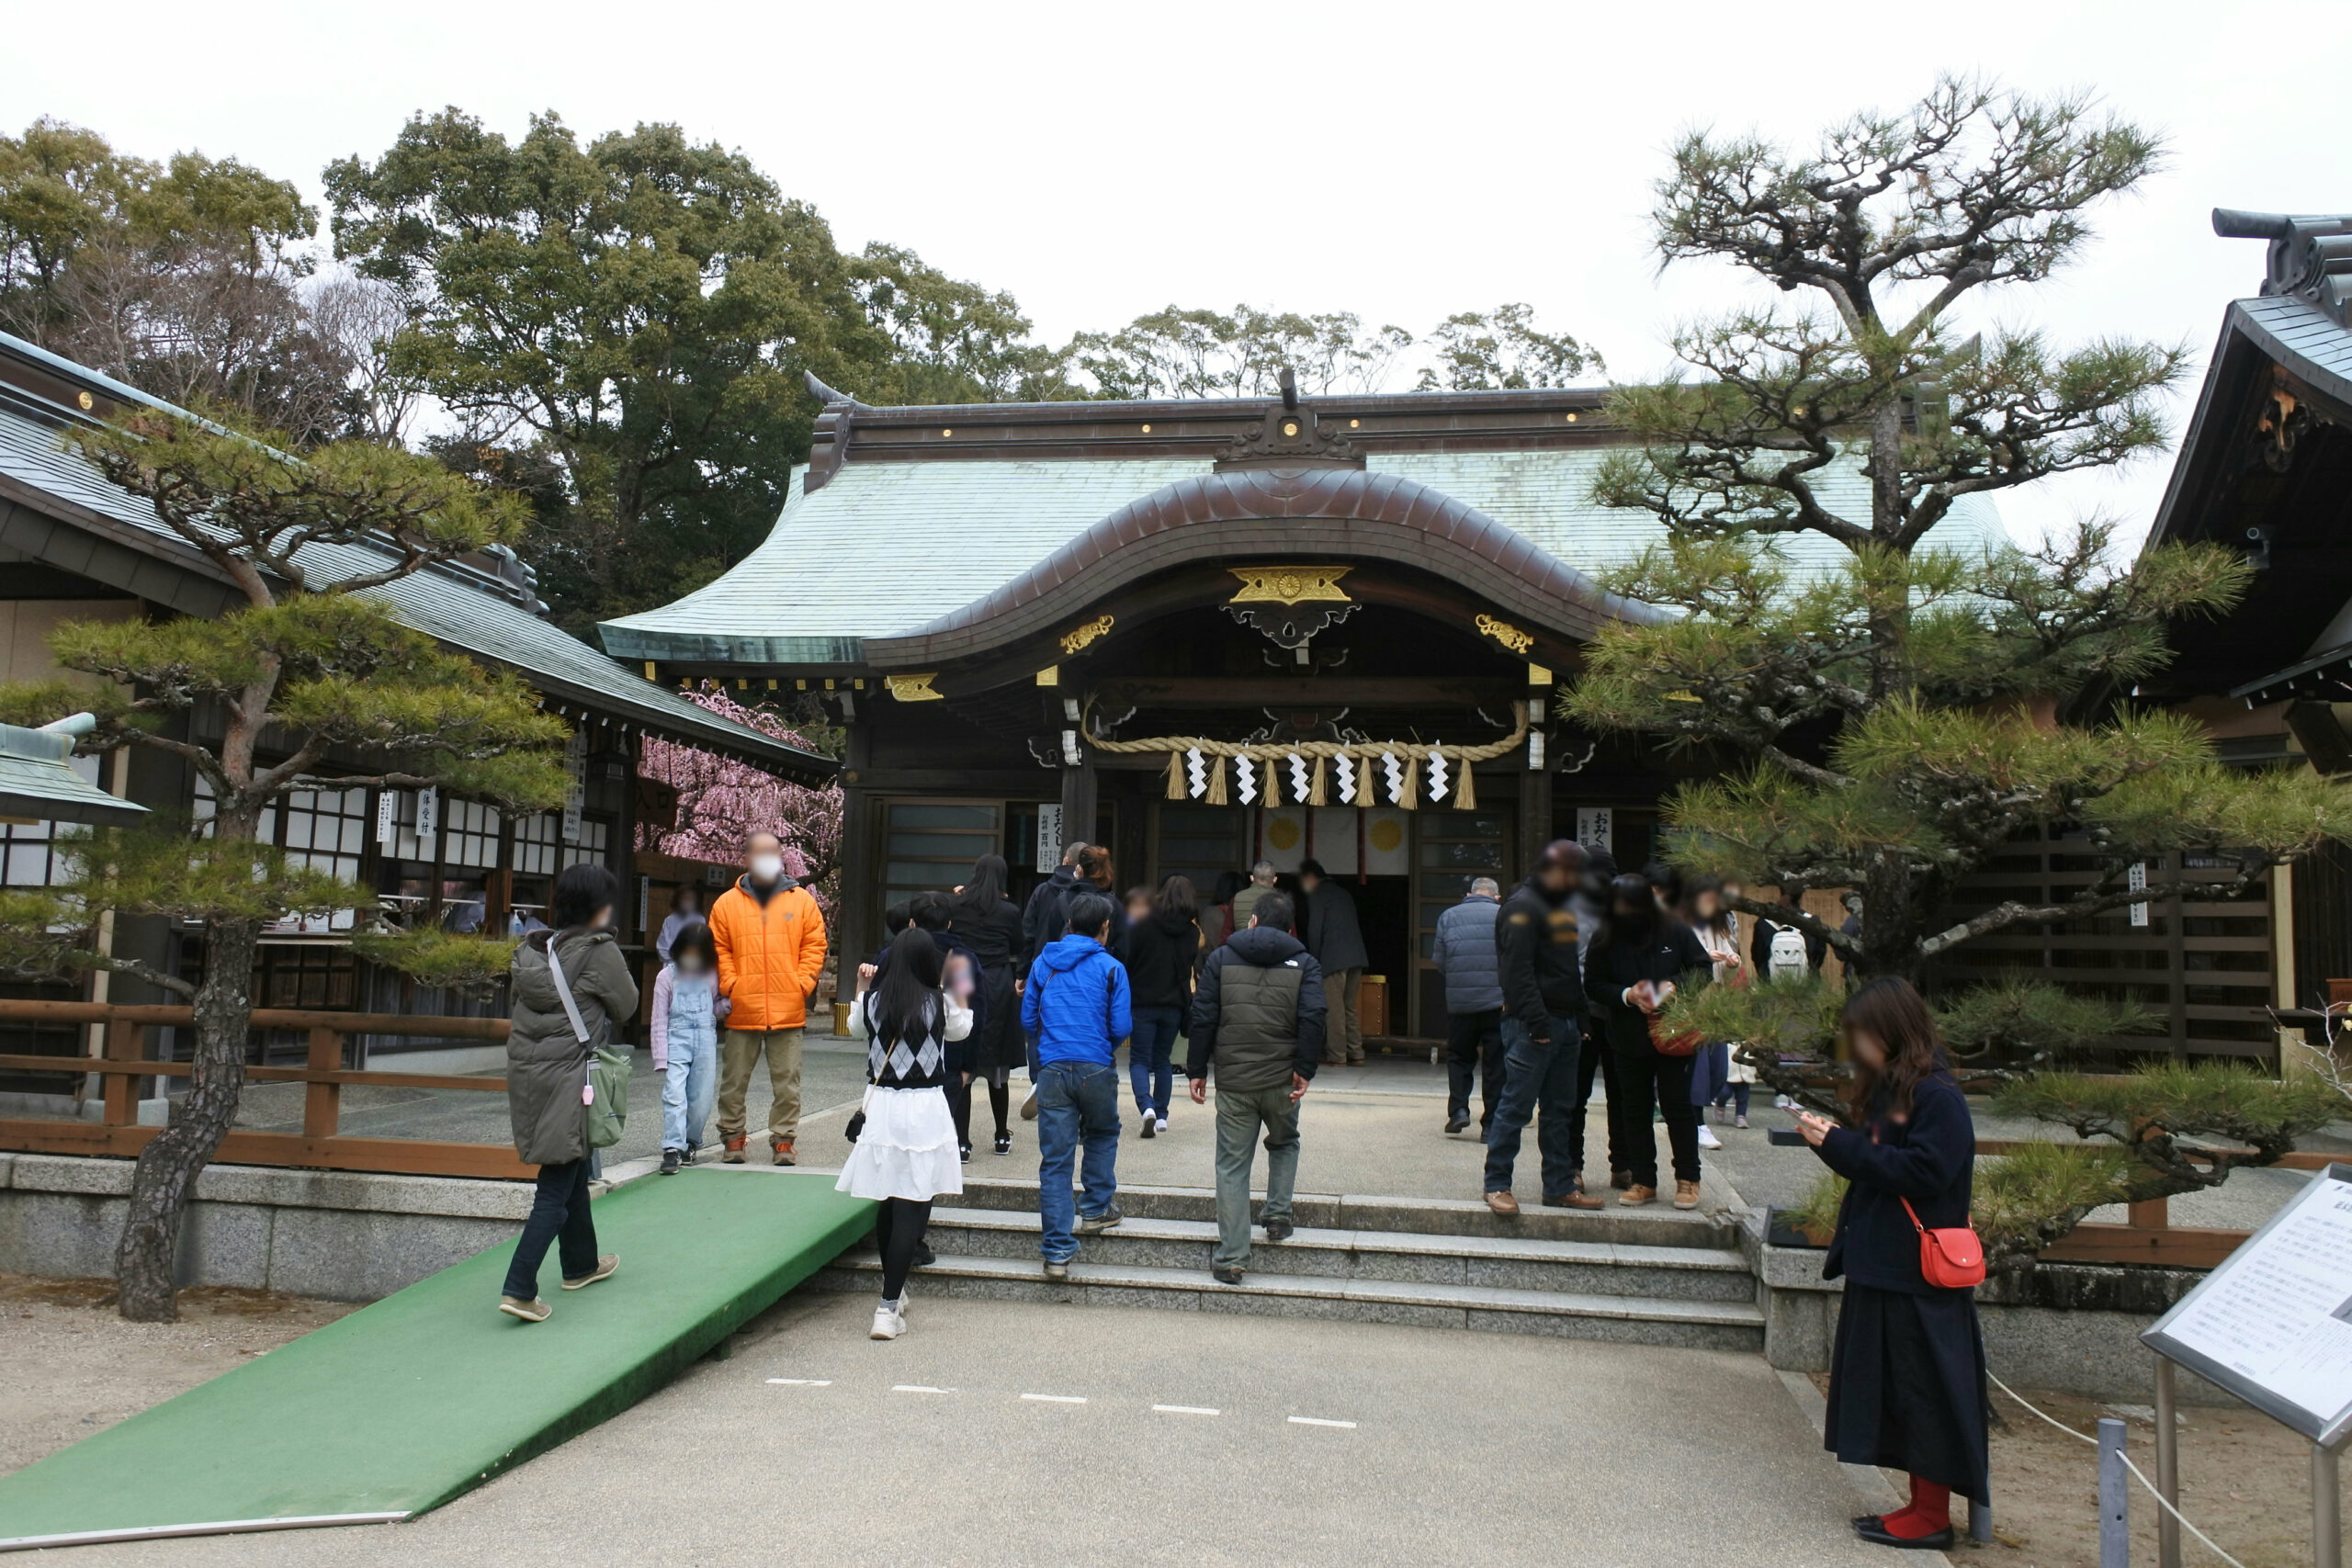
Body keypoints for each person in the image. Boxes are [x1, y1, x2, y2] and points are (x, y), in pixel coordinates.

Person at [1797, 977, 1987, 1551]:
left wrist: (1839, 1145)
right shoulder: (1899, 1089)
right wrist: (1835, 1141)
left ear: (1893, 1033)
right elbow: (1881, 1164)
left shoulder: (1937, 1096)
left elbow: (1925, 1173)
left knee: (1920, 1391)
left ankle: (1931, 1517)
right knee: (1898, 1392)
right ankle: (1918, 1506)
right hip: (1885, 1263)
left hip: (1915, 1273)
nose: (1857, 1049)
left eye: (1864, 1036)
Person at [498, 862, 638, 1322]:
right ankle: (519, 1288)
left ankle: (580, 1264)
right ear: (600, 907)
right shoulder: (598, 951)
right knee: (555, 1183)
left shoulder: (536, 950)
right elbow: (628, 1004)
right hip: (571, 1076)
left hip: (530, 1074)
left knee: (571, 1160)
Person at [841, 926, 974, 1340]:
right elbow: (963, 1029)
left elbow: (855, 1028)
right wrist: (960, 985)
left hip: (882, 1106)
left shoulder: (875, 1002)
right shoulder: (940, 1002)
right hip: (925, 1108)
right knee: (912, 1206)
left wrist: (863, 985)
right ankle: (886, 1306)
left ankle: (892, 1299)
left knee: (888, 1200)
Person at [1186, 890, 1324, 1284]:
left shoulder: (1221, 958)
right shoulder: (1306, 964)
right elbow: (1313, 1016)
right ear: (1290, 927)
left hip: (1235, 1080)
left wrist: (1197, 1069)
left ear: (1252, 921)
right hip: (1283, 1079)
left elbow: (1204, 1015)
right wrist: (1305, 1069)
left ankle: (1232, 1257)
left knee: (1232, 1164)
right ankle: (1278, 1216)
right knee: (1284, 1142)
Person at [1020, 891, 1132, 1279]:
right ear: (1104, 928)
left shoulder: (1042, 963)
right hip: (1096, 1066)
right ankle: (1098, 1207)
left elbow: (1028, 1020)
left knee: (1055, 1160)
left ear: (1068, 925)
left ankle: (1056, 1252)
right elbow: (1120, 1027)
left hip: (1051, 1068)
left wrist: (1051, 1042)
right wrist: (1100, 1047)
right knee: (1102, 1132)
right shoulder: (1112, 967)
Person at [1586, 872, 1713, 1210]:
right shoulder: (1606, 935)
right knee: (1635, 1109)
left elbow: (1702, 969)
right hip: (1627, 1033)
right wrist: (1627, 994)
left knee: (1677, 1106)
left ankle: (1688, 1179)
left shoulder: (1675, 928)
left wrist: (1672, 986)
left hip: (1673, 1033)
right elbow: (1594, 984)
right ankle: (1644, 1180)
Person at [1483, 841, 1598, 1214]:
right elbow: (1516, 972)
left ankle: (1559, 1185)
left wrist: (1581, 1018)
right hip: (1532, 1023)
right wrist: (1537, 1021)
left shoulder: (1558, 907)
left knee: (1560, 1109)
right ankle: (1497, 1183)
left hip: (1566, 1022)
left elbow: (1570, 971)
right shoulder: (1521, 906)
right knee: (1515, 1107)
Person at [709, 830, 829, 1167]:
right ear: (745, 858)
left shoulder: (801, 900)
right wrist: (732, 984)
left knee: (788, 1083)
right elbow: (719, 948)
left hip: (788, 1006)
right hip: (742, 1007)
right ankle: (733, 1138)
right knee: (734, 1082)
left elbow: (815, 945)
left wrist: (802, 982)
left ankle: (784, 1140)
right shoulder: (726, 904)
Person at [1567, 844, 1635, 1190]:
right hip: (1589, 1014)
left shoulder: (1626, 912)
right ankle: (1577, 1166)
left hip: (1617, 1011)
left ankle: (1619, 1164)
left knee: (1615, 1093)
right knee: (1579, 1095)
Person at [948, 854, 1025, 1156]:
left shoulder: (957, 905)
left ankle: (962, 1141)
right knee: (997, 1064)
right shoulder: (1009, 911)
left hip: (963, 975)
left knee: (962, 1055)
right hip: (996, 980)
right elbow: (1019, 946)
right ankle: (1001, 1135)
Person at [1122, 874, 1201, 1136]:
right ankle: (1162, 1114)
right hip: (1174, 1004)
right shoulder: (1191, 933)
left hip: (1142, 1001)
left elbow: (1128, 959)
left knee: (1140, 1060)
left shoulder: (1143, 924)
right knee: (1163, 1061)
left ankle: (1146, 1106)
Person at [1431, 876, 1506, 1136]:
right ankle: (1491, 1125)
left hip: (1460, 1003)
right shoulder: (1504, 915)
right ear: (1497, 896)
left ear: (1469, 894)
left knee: (1460, 1058)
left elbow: (1440, 960)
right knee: (1496, 1063)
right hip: (1497, 1002)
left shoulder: (1448, 916)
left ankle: (1459, 1111)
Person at [651, 919, 727, 1175]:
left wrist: (724, 1008)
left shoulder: (711, 975)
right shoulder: (665, 976)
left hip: (706, 1039)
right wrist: (660, 1056)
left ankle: (690, 1142)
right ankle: (672, 1147)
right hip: (676, 1039)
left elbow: (714, 1006)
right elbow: (659, 1019)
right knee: (674, 1093)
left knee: (701, 1099)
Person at [1679, 877, 1746, 1151]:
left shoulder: (1719, 925)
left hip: (1715, 1001)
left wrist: (1733, 962)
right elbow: (1679, 961)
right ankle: (1696, 1123)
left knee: (1718, 1067)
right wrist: (1705, 955)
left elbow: (1730, 963)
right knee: (1699, 1069)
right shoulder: (1681, 924)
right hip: (1691, 1001)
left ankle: (1694, 1118)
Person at [1296, 859, 1369, 1066]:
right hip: (1356, 956)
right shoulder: (1343, 893)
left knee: (1334, 1009)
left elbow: (1314, 930)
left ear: (1310, 877)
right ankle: (1357, 1053)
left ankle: (1337, 1056)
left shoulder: (1318, 895)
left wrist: (1315, 960)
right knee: (1349, 1007)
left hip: (1334, 958)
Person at [1020, 840, 1091, 967]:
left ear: (1065, 860)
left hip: (1044, 963)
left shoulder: (1042, 891)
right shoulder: (1092, 894)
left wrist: (1022, 970)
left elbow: (1028, 934)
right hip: (1081, 966)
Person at [654, 883, 703, 964]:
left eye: (691, 899)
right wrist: (675, 957)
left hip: (693, 966)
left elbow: (701, 944)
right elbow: (662, 947)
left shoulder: (700, 920)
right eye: (685, 899)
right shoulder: (669, 921)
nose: (688, 902)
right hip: (671, 966)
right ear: (678, 900)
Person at [1229, 860, 1277, 933]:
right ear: (1275, 879)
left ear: (1251, 878)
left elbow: (1227, 931)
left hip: (1242, 943)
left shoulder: (1237, 898)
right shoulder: (1282, 901)